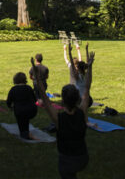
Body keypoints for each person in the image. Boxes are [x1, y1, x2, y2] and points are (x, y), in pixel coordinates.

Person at [34, 43, 93, 179]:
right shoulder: (82, 113)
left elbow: (44, 97)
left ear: (63, 101)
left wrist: (37, 76)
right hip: (83, 158)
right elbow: (87, 87)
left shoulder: (58, 118)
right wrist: (90, 66)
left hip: (67, 161)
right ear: (77, 99)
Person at [6, 71, 38, 140]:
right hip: (32, 111)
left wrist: (11, 107)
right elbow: (35, 100)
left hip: (20, 111)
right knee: (25, 118)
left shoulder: (13, 89)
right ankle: (26, 132)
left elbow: (8, 102)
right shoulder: (29, 88)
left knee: (21, 119)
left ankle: (24, 133)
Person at [67, 43, 93, 108]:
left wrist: (69, 52)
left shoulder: (77, 77)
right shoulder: (87, 76)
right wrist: (87, 50)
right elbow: (88, 63)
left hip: (79, 99)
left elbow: (72, 64)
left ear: (78, 68)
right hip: (87, 99)